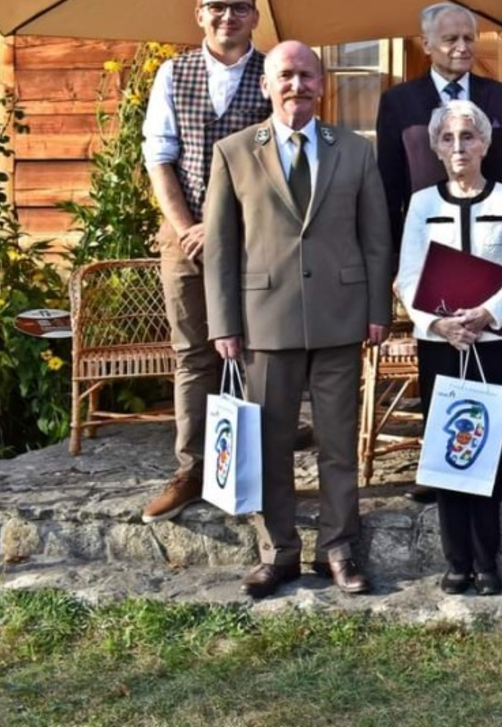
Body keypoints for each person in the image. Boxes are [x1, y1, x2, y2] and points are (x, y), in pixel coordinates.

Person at [204, 41, 391, 599]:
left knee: (339, 443)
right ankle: (278, 552)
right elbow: (220, 247)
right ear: (266, 85)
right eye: (285, 75)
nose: (297, 85)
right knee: (269, 443)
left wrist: (377, 311)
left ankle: (339, 549)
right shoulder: (234, 152)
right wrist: (223, 323)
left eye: (307, 75)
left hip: (341, 318)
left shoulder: (354, 150)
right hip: (264, 321)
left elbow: (376, 238)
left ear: (322, 84)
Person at [140, 0, 271, 524]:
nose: (227, 16)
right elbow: (159, 157)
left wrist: (227, 229)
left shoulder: (272, 74)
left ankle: (254, 468)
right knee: (194, 353)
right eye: (216, 6)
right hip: (184, 238)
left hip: (258, 239)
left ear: (254, 16)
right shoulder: (173, 74)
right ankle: (193, 469)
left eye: (239, 7)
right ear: (199, 14)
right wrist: (186, 226)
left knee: (260, 351)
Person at [395, 100, 502, 597]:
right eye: (448, 138)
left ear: (485, 144)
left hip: (493, 341)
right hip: (442, 344)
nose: (459, 146)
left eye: (468, 136)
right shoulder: (422, 204)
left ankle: (487, 560)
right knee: (445, 450)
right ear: (436, 148)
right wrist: (439, 324)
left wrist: (488, 314)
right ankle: (456, 560)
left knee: (487, 451)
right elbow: (408, 276)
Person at [376, 2, 502, 260]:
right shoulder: (398, 101)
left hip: (494, 240)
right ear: (426, 44)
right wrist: (393, 257)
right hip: (429, 238)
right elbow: (389, 184)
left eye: (469, 38)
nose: (463, 47)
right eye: (451, 39)